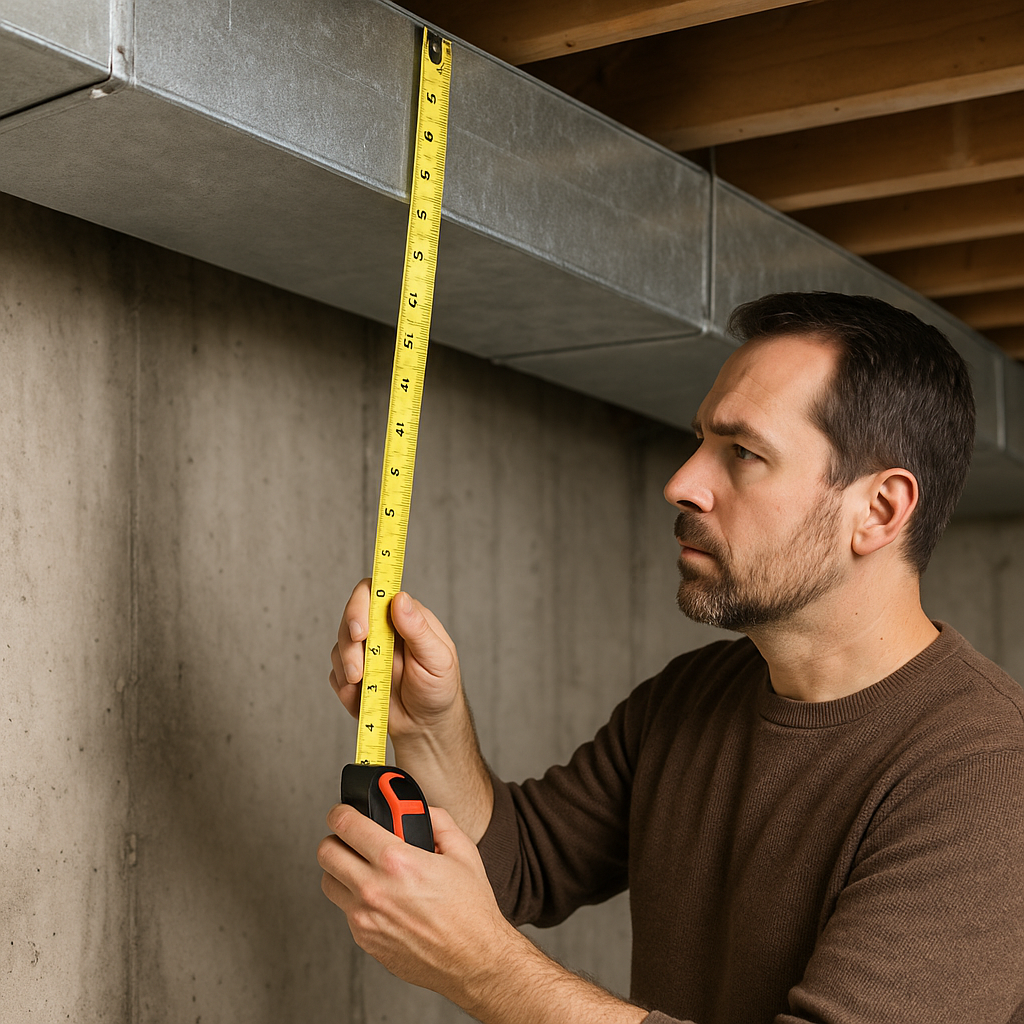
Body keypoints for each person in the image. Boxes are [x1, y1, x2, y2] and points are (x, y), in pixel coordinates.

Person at [318, 292, 1024, 1024]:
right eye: (700, 441)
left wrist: (484, 969)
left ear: (878, 510)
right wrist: (430, 727)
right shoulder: (691, 696)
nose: (682, 483)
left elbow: (485, 935)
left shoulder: (988, 777)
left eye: (743, 453)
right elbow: (518, 865)